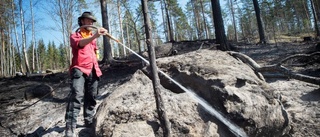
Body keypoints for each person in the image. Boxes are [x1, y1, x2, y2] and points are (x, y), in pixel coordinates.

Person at [65, 11, 107, 137]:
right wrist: (95, 36)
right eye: (88, 20)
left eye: (92, 21)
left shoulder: (92, 37)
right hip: (79, 69)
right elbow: (81, 44)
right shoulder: (75, 35)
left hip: (93, 70)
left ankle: (88, 121)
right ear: (82, 21)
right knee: (76, 95)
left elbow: (95, 51)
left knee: (92, 96)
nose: (91, 22)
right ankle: (70, 127)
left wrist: (97, 52)